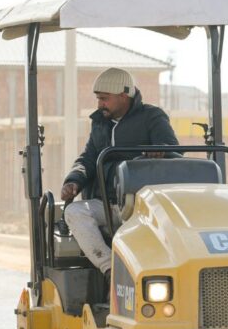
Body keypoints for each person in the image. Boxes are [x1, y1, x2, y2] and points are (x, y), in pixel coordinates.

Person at [60, 67, 179, 276]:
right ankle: (110, 271)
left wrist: (159, 153)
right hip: (106, 204)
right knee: (73, 212)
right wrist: (74, 180)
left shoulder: (152, 117)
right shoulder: (100, 123)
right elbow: (88, 158)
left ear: (123, 96)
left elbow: (174, 154)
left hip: (140, 205)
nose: (100, 104)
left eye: (104, 99)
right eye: (98, 99)